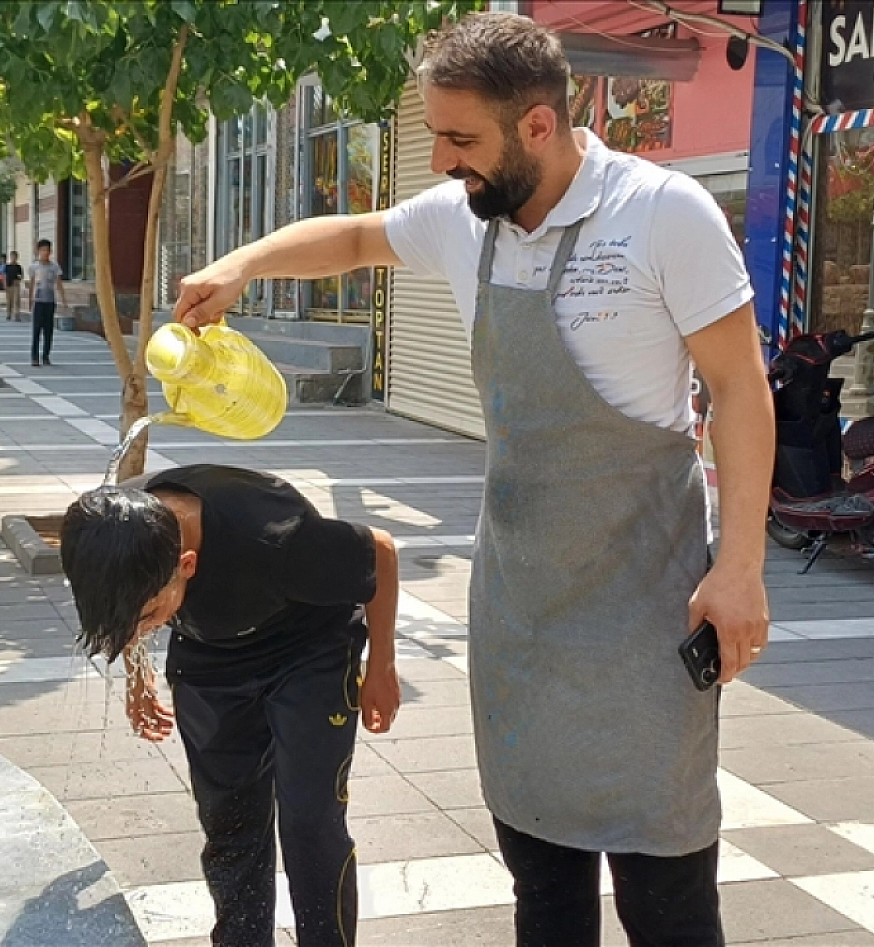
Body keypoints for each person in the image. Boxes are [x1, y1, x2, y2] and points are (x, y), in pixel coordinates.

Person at [172, 13, 774, 946]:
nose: (444, 160)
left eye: (461, 140)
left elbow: (741, 389)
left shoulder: (663, 214)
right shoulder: (465, 221)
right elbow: (356, 235)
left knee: (668, 892)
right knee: (543, 883)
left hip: (649, 610)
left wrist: (739, 568)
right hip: (521, 611)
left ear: (539, 125)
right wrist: (239, 265)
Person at [60, 466, 401, 946]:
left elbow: (380, 551)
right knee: (230, 822)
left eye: (152, 615)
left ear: (188, 565)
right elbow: (125, 610)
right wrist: (139, 678)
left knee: (309, 821)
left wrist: (382, 667)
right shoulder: (106, 530)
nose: (143, 628)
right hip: (210, 660)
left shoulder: (276, 540)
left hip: (307, 651)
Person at [26, 239, 66, 367]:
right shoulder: (34, 267)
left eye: (47, 250)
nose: (45, 253)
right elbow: (31, 284)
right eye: (43, 250)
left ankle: (46, 356)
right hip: (38, 301)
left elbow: (58, 283)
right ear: (38, 251)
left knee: (48, 330)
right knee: (36, 330)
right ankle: (34, 357)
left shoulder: (54, 267)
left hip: (50, 301)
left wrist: (63, 299)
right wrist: (30, 300)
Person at [3, 250, 26, 321]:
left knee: (16, 300)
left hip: (15, 285)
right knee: (9, 301)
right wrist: (4, 285)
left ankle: (17, 314)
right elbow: (4, 276)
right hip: (8, 284)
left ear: (17, 257)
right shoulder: (7, 266)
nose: (13, 258)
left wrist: (19, 280)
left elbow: (21, 276)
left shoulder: (19, 267)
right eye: (12, 256)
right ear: (10, 257)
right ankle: (8, 314)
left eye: (15, 257)